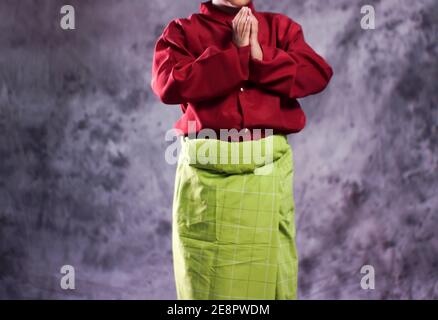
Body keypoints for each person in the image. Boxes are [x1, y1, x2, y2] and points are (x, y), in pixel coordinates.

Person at [150, 0, 333, 299]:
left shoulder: (279, 28)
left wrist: (260, 57)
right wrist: (234, 56)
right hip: (207, 179)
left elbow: (317, 73)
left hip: (266, 170)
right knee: (209, 280)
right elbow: (167, 84)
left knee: (268, 277)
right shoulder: (182, 32)